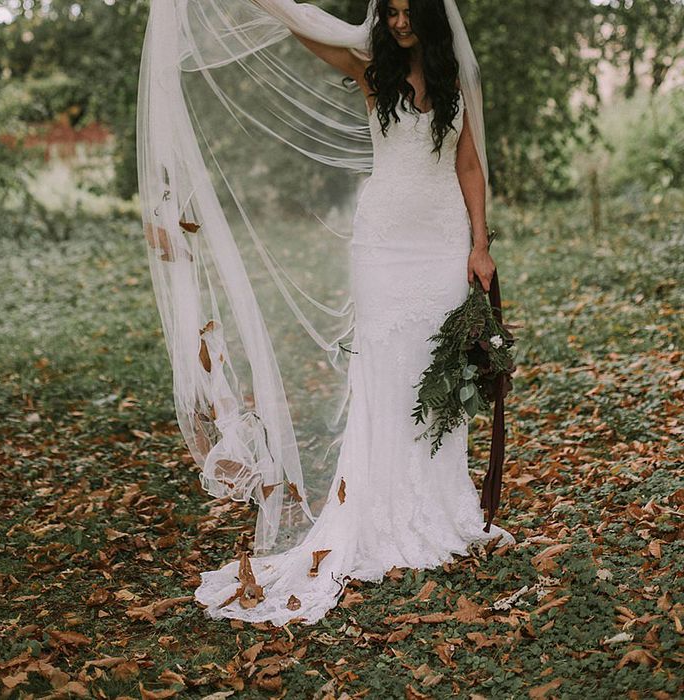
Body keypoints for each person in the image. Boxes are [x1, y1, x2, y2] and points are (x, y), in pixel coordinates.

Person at [137, 0, 516, 627]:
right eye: (389, 11)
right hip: (383, 243)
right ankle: (375, 508)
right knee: (386, 372)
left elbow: (469, 165)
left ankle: (439, 506)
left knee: (438, 371)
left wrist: (479, 244)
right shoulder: (374, 70)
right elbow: (303, 25)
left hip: (441, 240)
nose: (397, 22)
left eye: (406, 11)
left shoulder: (455, 82)